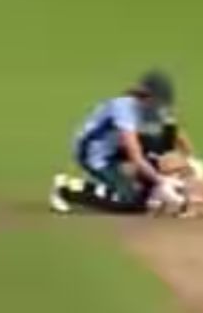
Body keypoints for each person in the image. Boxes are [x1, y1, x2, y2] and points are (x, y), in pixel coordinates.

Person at [49, 70, 188, 214]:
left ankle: (150, 188)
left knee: (161, 142)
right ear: (148, 97)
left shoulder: (152, 106)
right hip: (93, 153)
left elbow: (175, 131)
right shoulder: (123, 109)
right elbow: (136, 156)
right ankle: (65, 189)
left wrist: (191, 160)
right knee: (131, 203)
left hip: (116, 146)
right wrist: (161, 180)